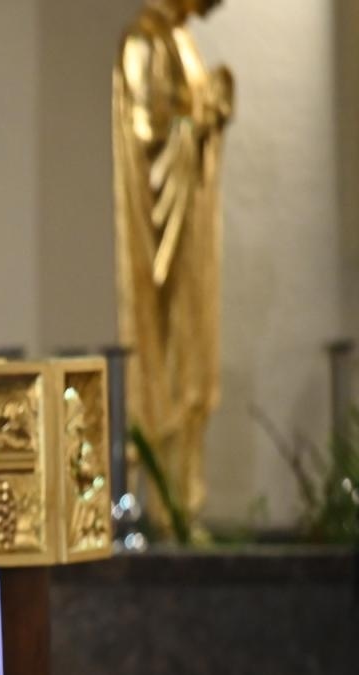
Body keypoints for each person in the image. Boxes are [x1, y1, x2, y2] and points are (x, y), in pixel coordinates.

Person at [113, 0, 232, 531]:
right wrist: (195, 121)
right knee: (165, 356)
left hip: (193, 236)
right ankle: (164, 505)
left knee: (195, 354)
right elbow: (147, 141)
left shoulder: (182, 40)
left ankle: (187, 502)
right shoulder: (143, 41)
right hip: (163, 234)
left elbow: (186, 122)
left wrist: (210, 116)